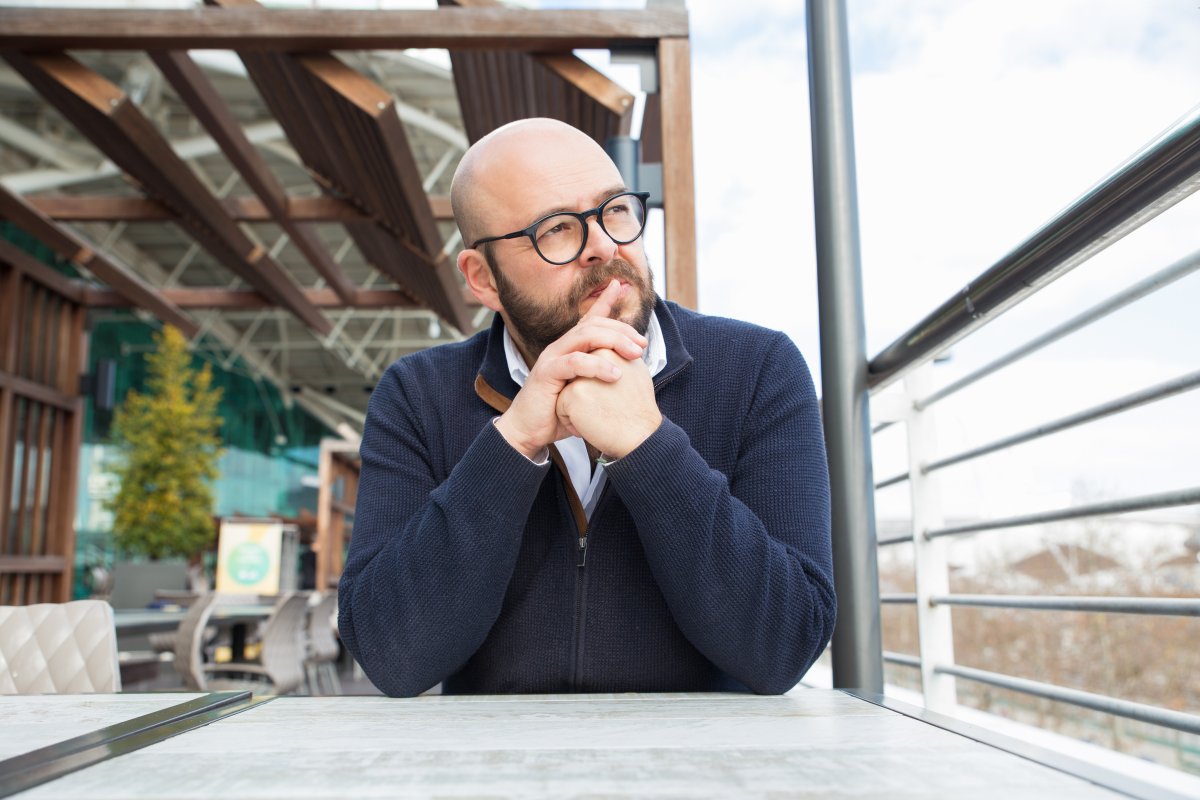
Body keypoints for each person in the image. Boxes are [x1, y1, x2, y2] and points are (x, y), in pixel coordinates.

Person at [338, 118, 835, 697]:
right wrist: (513, 444)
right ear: (483, 278)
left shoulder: (758, 369)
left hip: (705, 767)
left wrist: (648, 448)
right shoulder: (418, 395)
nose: (604, 245)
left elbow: (786, 645)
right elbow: (390, 657)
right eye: (556, 229)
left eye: (615, 210)